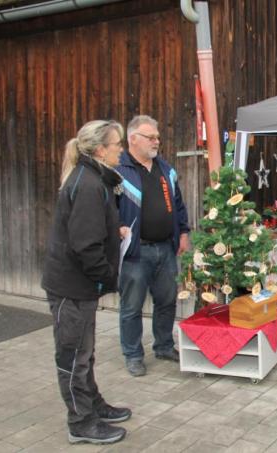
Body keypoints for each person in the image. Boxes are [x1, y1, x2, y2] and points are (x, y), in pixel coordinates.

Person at [41, 120, 130, 445]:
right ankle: (80, 422)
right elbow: (85, 245)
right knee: (73, 356)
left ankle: (93, 405)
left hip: (79, 286)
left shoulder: (94, 179)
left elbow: (90, 231)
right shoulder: (89, 183)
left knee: (84, 352)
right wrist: (106, 277)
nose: (121, 148)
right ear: (99, 150)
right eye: (116, 143)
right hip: (71, 288)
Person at [115, 115, 191, 377]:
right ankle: (133, 354)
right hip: (136, 253)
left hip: (166, 249)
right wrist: (115, 229)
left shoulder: (166, 169)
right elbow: (104, 210)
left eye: (157, 137)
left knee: (167, 300)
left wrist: (183, 232)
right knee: (132, 306)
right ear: (133, 139)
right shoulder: (117, 171)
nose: (156, 141)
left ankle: (164, 345)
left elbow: (178, 205)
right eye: (151, 137)